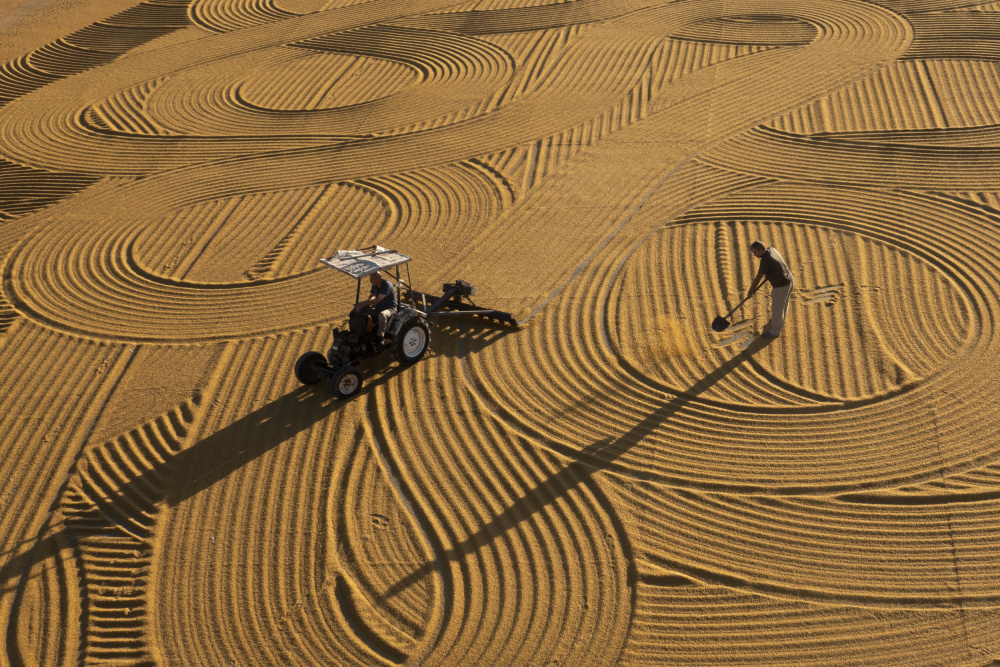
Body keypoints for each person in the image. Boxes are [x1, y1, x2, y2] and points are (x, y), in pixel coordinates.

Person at [747, 240, 793, 338]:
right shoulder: (771, 249)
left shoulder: (766, 260)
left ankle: (775, 331)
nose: (754, 255)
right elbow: (777, 263)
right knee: (783, 304)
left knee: (777, 308)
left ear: (762, 250)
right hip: (789, 279)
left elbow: (759, 277)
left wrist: (751, 291)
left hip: (782, 286)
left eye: (755, 252)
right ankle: (780, 321)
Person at [354, 271, 396, 341]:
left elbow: (378, 299)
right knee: (359, 307)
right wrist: (365, 303)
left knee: (382, 316)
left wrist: (365, 303)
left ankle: (380, 337)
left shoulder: (387, 285)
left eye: (372, 279)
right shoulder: (375, 284)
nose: (370, 281)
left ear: (378, 278)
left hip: (390, 308)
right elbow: (372, 296)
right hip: (378, 306)